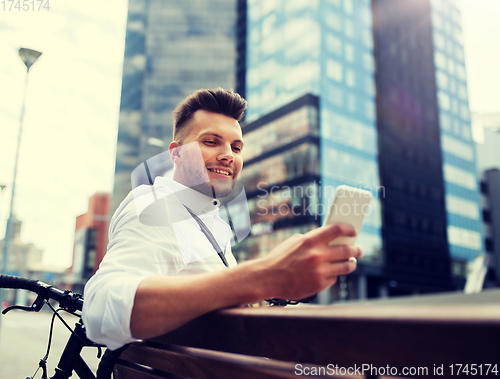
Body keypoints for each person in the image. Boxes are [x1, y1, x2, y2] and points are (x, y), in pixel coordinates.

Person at [82, 88, 362, 350]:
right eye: (211, 142)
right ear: (176, 154)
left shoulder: (214, 223)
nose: (228, 155)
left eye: (236, 147)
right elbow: (101, 309)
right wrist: (265, 275)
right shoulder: (158, 204)